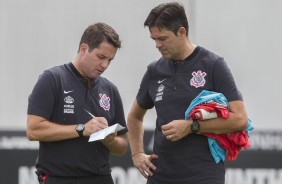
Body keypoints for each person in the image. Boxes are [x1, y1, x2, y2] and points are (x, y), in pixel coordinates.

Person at [127, 2, 249, 184]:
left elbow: (240, 119)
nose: (157, 45)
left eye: (162, 38)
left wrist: (191, 126)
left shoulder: (213, 65)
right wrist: (137, 154)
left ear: (182, 32)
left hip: (203, 174)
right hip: (161, 175)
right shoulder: (154, 71)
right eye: (154, 39)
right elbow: (134, 117)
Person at [26, 22, 128, 184]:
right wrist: (82, 129)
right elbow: (33, 130)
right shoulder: (53, 79)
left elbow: (122, 147)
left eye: (110, 60)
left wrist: (109, 139)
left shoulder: (110, 89)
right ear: (83, 49)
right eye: (101, 57)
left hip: (101, 178)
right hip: (59, 178)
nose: (105, 65)